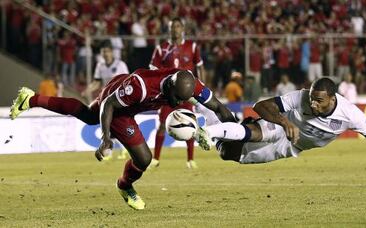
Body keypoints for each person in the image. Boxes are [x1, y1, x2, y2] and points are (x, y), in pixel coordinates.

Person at [9, 68, 235, 210]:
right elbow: (109, 105)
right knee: (144, 159)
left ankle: (31, 99)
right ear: (169, 86)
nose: (177, 104)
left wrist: (237, 133)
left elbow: (218, 107)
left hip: (122, 90)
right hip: (119, 102)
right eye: (176, 98)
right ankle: (125, 186)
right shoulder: (142, 88)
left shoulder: (191, 85)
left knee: (88, 116)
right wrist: (106, 138)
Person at [194, 77, 366, 173]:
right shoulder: (302, 97)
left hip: (291, 147)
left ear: (332, 99)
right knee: (254, 132)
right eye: (311, 98)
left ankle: (207, 108)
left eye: (318, 101)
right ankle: (208, 131)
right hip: (281, 125)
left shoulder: (350, 114)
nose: (312, 103)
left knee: (229, 153)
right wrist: (284, 121)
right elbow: (260, 105)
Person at [149, 17, 205, 169]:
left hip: (187, 93)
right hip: (168, 94)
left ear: (183, 29)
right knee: (161, 125)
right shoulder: (161, 48)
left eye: (178, 26)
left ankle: (190, 159)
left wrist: (202, 86)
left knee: (190, 123)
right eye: (172, 27)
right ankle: (156, 158)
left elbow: (199, 67)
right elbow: (153, 70)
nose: (175, 29)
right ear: (169, 29)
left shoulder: (191, 47)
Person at [82, 41, 130, 160]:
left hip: (119, 99)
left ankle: (123, 150)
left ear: (112, 52)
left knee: (117, 124)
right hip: (106, 100)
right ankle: (110, 151)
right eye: (103, 52)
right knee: (108, 125)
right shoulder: (100, 65)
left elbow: (128, 80)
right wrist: (88, 90)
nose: (105, 54)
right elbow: (97, 82)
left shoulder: (120, 65)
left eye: (107, 51)